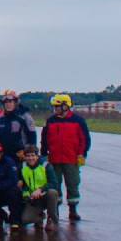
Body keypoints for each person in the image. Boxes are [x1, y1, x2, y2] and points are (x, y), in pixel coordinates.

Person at [41, 93, 91, 222]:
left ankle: (73, 210)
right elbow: (44, 139)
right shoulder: (50, 121)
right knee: (54, 185)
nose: (55, 109)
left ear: (65, 106)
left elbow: (84, 139)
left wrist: (82, 154)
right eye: (54, 106)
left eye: (57, 106)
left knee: (73, 184)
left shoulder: (78, 121)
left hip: (72, 159)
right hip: (54, 159)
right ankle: (54, 211)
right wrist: (44, 154)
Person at [18, 144, 60, 232]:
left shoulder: (46, 165)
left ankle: (52, 219)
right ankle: (40, 217)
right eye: (28, 156)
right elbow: (24, 185)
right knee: (24, 220)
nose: (30, 158)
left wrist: (41, 190)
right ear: (24, 157)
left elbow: (54, 183)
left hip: (45, 195)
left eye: (33, 155)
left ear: (37, 156)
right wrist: (27, 195)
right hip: (33, 198)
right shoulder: (22, 167)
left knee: (52, 192)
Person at [0, 90, 36, 161]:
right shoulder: (0, 118)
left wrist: (28, 153)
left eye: (10, 101)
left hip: (20, 155)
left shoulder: (25, 117)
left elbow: (32, 136)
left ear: (15, 102)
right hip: (4, 155)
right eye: (6, 102)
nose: (8, 104)